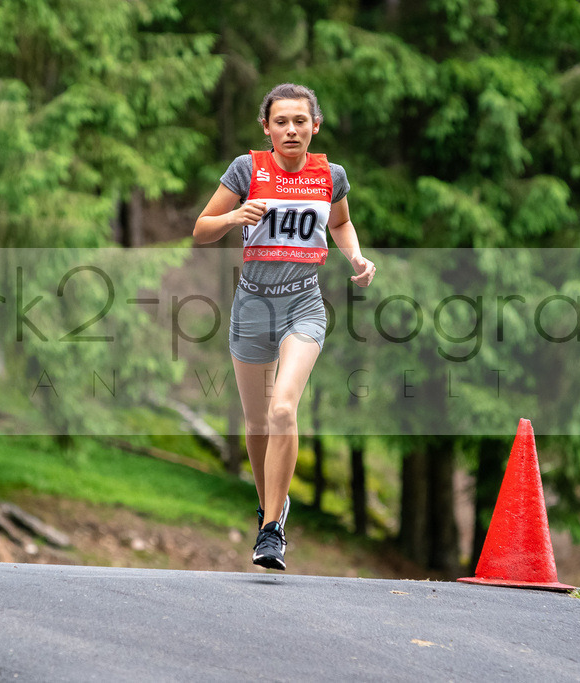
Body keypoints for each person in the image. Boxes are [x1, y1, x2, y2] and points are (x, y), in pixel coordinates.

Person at [194, 83, 376, 570]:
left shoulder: (331, 176)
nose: (291, 129)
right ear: (267, 128)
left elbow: (340, 224)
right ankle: (268, 507)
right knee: (256, 423)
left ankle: (272, 530)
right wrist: (234, 215)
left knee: (282, 409)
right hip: (252, 305)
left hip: (303, 304)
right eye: (281, 121)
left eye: (300, 121)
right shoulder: (246, 169)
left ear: (315, 125)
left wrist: (355, 255)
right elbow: (200, 229)